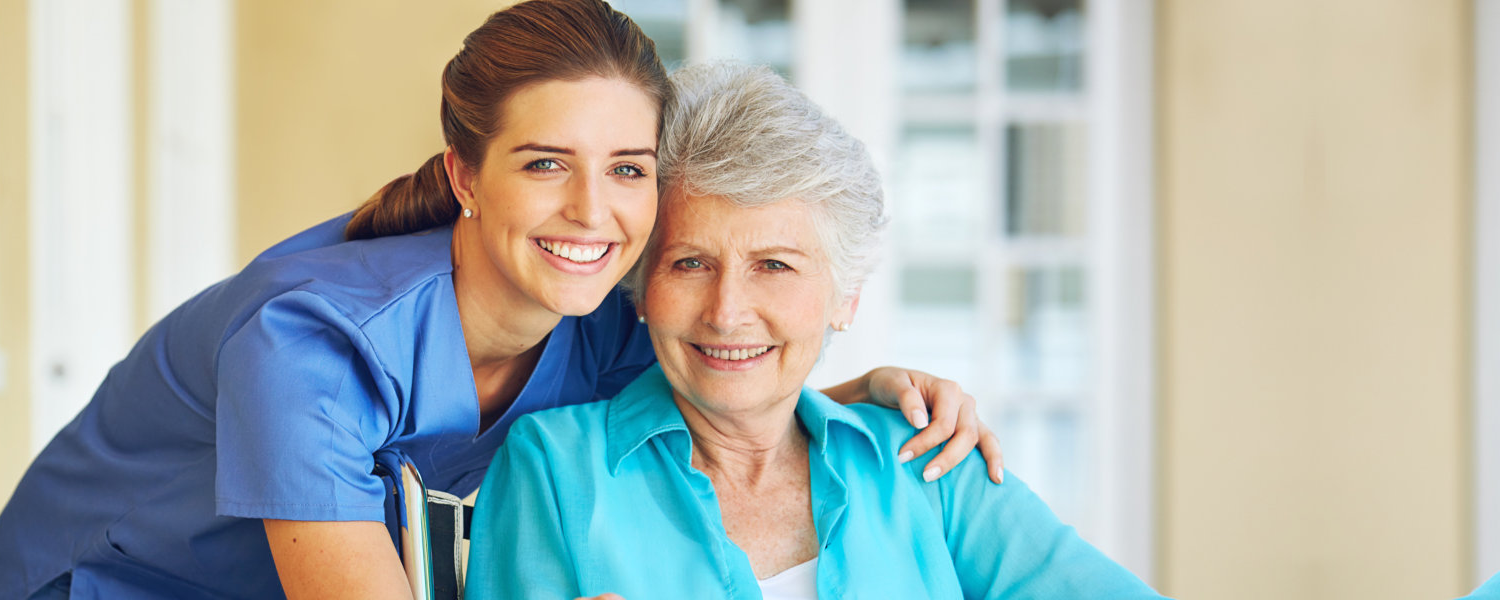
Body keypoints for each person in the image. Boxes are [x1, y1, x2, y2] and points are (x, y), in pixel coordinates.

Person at [0, 2, 1002, 598]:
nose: (594, 212)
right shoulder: (311, 342)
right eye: (547, 164)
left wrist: (867, 386)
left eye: (630, 169)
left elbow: (732, 370)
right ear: (466, 176)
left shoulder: (603, 326)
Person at [467, 62, 1163, 600]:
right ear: (642, 288)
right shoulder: (554, 468)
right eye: (690, 263)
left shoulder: (928, 461)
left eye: (773, 265)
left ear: (845, 296)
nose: (727, 310)